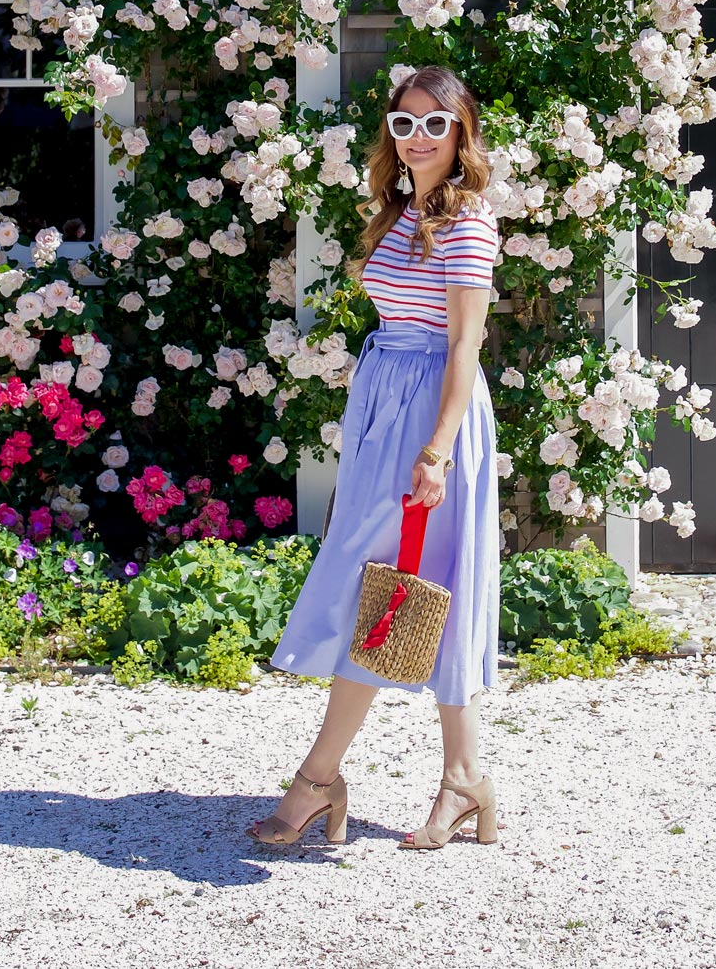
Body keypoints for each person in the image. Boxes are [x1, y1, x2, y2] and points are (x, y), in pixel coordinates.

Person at [248, 64, 501, 853]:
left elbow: (465, 342)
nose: (418, 136)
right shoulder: (398, 213)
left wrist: (437, 448)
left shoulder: (468, 221)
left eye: (435, 122)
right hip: (385, 404)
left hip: (430, 413)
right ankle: (465, 778)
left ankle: (320, 776)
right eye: (404, 123)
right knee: (403, 583)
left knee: (393, 582)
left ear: (460, 132)